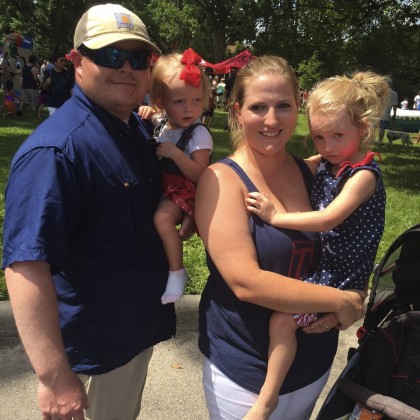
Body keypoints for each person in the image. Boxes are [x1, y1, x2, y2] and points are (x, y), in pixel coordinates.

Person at [2, 4, 194, 419]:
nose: (126, 67)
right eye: (109, 55)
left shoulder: (135, 129)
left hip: (129, 337)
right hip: (91, 355)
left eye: (138, 58)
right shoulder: (56, 151)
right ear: (77, 61)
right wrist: (54, 378)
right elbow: (25, 267)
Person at [195, 55, 366, 420]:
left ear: (299, 105)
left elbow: (343, 245)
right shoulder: (221, 181)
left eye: (283, 106)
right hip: (246, 370)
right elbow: (247, 283)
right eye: (258, 107)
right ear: (237, 111)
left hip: (312, 361)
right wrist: (342, 301)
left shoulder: (315, 174)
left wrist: (350, 298)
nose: (271, 120)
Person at [243, 71, 389, 419]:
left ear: (363, 130)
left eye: (338, 135)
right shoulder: (328, 162)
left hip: (340, 273)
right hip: (326, 266)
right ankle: (327, 317)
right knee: (297, 315)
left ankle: (267, 398)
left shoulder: (363, 176)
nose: (328, 147)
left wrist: (275, 217)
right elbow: (291, 167)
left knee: (282, 320)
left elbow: (328, 219)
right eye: (319, 137)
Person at [138, 49, 213, 304]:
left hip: (184, 189)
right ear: (161, 101)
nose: (189, 108)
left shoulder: (198, 134)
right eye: (179, 102)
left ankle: (176, 271)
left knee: (162, 218)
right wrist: (147, 112)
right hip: (163, 187)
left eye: (196, 100)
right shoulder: (162, 122)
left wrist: (176, 155)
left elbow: (200, 174)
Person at [43, 51, 74, 116]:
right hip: (52, 103)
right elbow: (44, 88)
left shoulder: (68, 74)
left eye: (64, 61)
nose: (64, 63)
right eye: (61, 61)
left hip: (65, 103)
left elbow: (71, 88)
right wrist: (46, 82)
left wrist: (73, 100)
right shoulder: (49, 73)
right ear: (55, 62)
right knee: (54, 120)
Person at [378, 78, 398, 144]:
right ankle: (380, 141)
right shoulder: (394, 94)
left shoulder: (380, 92)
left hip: (378, 112)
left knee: (374, 128)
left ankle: (371, 142)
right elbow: (395, 105)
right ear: (391, 84)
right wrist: (394, 114)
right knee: (382, 128)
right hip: (386, 114)